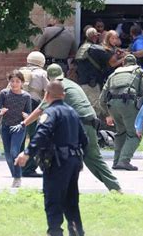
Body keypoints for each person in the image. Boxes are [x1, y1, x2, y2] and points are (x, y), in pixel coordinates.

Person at [12, 64, 121, 192]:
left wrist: (24, 123)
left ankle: (52, 187)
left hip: (75, 125)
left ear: (48, 77)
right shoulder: (72, 84)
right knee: (93, 158)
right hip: (90, 123)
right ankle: (115, 188)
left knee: (54, 153)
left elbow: (40, 110)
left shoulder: (55, 87)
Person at [15, 81, 89, 236]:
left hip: (57, 163)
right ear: (63, 95)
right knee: (71, 202)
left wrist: (27, 153)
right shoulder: (72, 113)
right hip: (73, 163)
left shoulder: (50, 113)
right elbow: (85, 140)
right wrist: (77, 158)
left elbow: (42, 133)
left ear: (47, 96)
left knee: (53, 201)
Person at [100, 55, 143, 171]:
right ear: (135, 63)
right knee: (134, 134)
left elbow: (102, 98)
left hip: (112, 106)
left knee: (120, 133)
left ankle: (116, 162)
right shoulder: (139, 72)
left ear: (123, 64)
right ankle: (124, 161)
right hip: (128, 104)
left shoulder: (114, 74)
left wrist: (107, 114)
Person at [0, 70, 32, 188]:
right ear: (9, 82)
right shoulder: (4, 93)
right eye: (12, 81)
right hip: (6, 126)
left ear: (22, 83)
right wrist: (0, 111)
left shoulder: (26, 96)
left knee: (14, 152)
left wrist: (26, 116)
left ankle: (17, 178)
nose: (14, 84)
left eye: (17, 81)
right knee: (7, 154)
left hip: (19, 127)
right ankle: (16, 174)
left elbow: (29, 112)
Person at [18, 51, 49, 177]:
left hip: (16, 105)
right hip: (33, 106)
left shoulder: (19, 72)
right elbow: (49, 92)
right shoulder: (42, 74)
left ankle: (17, 166)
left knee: (18, 137)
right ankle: (29, 168)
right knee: (35, 137)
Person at [75, 27, 110, 116]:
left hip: (82, 81)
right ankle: (94, 128)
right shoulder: (96, 49)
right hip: (92, 83)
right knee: (95, 109)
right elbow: (110, 59)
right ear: (95, 36)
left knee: (84, 107)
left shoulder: (82, 47)